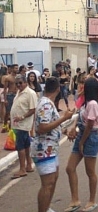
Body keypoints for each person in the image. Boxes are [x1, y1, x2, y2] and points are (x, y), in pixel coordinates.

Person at [32, 77, 75, 212]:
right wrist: (64, 117)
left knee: (53, 179)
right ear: (58, 89)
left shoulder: (48, 103)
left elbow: (52, 124)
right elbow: (42, 128)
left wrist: (65, 131)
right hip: (43, 149)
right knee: (47, 184)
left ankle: (46, 208)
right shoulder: (46, 104)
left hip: (50, 149)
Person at [65, 78, 98, 212]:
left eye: (82, 86)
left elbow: (90, 124)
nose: (80, 87)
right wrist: (73, 128)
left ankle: (92, 200)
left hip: (90, 137)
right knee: (70, 168)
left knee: (90, 171)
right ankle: (75, 200)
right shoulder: (85, 101)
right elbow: (79, 117)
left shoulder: (93, 103)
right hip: (81, 134)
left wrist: (81, 142)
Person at [10, 74, 37, 179]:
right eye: (16, 83)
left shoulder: (30, 93)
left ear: (25, 82)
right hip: (18, 124)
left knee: (20, 146)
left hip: (22, 124)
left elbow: (32, 109)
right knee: (26, 145)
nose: (18, 85)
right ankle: (28, 165)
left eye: (20, 83)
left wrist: (22, 117)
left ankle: (22, 169)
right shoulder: (19, 92)